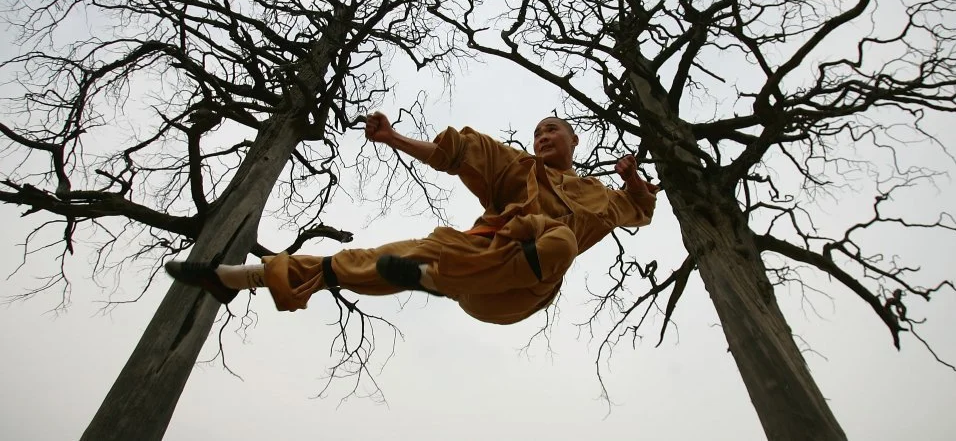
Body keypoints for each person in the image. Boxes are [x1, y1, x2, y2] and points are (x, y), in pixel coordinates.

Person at [166, 112, 658, 325]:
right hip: (478, 270)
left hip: (521, 291)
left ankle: (433, 279)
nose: (542, 137)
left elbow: (642, 208)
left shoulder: (598, 197)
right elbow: (459, 152)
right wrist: (395, 138)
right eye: (536, 132)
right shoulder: (519, 170)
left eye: (552, 130)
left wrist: (632, 177)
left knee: (559, 240)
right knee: (380, 257)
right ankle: (240, 277)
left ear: (574, 142)